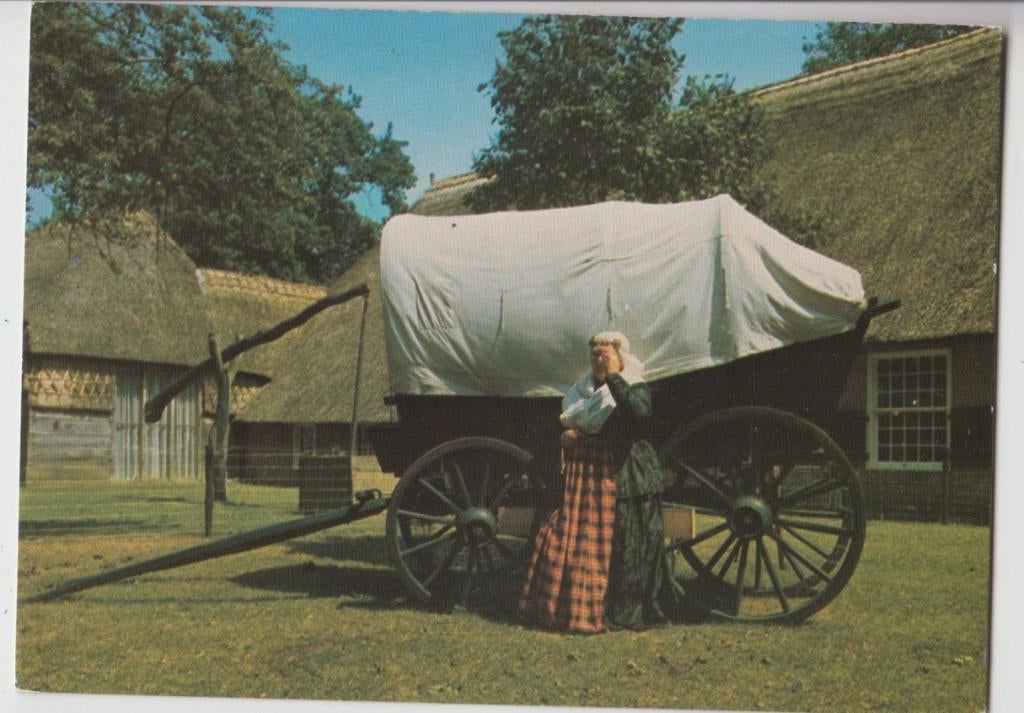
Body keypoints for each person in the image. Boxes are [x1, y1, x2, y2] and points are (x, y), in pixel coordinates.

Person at [518, 331, 667, 633]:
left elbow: (639, 414)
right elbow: (569, 421)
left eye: (606, 354)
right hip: (589, 478)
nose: (599, 359)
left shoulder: (632, 383)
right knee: (587, 542)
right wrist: (567, 436)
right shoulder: (581, 390)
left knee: (628, 544)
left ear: (620, 356)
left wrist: (615, 378)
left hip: (628, 474)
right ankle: (587, 607)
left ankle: (624, 613)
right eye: (595, 354)